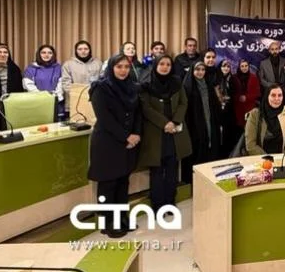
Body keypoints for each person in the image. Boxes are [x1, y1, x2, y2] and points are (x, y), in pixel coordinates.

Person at [87, 54, 142, 238]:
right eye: (119, 67)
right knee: (108, 183)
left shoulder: (132, 87)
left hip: (128, 142)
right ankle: (108, 222)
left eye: (126, 67)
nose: (123, 70)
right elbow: (105, 118)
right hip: (107, 142)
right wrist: (126, 136)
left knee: (122, 182)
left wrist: (136, 134)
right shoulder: (100, 88)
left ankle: (121, 218)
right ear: (111, 68)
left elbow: (138, 113)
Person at [138, 55, 191, 213]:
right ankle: (157, 204)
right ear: (155, 65)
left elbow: (183, 102)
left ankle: (170, 202)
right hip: (156, 133)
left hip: (174, 132)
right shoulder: (146, 84)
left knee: (172, 168)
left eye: (168, 64)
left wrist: (175, 121)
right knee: (157, 170)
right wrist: (164, 123)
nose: (165, 67)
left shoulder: (176, 82)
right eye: (161, 63)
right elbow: (146, 108)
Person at [182, 62, 222, 183]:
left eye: (202, 69)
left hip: (210, 122)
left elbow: (215, 105)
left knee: (211, 148)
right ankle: (194, 181)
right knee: (197, 149)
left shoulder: (208, 85)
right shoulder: (187, 86)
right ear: (192, 71)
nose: (200, 72)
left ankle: (209, 179)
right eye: (197, 69)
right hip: (194, 125)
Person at [244, 84, 285, 155]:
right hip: (260, 158)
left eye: (280, 95)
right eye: (273, 95)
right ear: (267, 96)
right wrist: (268, 158)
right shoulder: (255, 114)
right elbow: (250, 145)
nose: (277, 99)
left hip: (284, 157)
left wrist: (282, 157)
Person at [61, 40, 102, 116]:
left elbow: (102, 80)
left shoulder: (98, 63)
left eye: (86, 49)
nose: (83, 51)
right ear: (76, 51)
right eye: (80, 49)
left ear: (90, 50)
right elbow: (65, 83)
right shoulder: (68, 64)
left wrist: (95, 93)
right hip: (75, 101)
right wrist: (78, 94)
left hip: (94, 101)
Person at [23, 44, 64, 119]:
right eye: (43, 52)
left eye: (50, 53)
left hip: (55, 102)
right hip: (37, 102)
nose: (46, 55)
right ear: (39, 54)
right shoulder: (31, 68)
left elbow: (61, 84)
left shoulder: (58, 67)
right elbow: (28, 85)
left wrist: (54, 96)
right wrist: (42, 96)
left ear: (53, 55)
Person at [218, 59, 239, 155]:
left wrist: (228, 98)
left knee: (229, 132)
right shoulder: (216, 78)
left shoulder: (233, 79)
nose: (226, 68)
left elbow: (236, 93)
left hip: (230, 110)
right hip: (218, 109)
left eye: (228, 66)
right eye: (224, 66)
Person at [231, 59, 261, 128]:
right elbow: (232, 92)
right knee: (239, 128)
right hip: (238, 108)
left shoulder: (253, 77)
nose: (244, 68)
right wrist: (238, 97)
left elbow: (257, 93)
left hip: (250, 107)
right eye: (242, 66)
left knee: (250, 127)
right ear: (239, 67)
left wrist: (246, 97)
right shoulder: (234, 78)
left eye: (246, 66)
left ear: (248, 66)